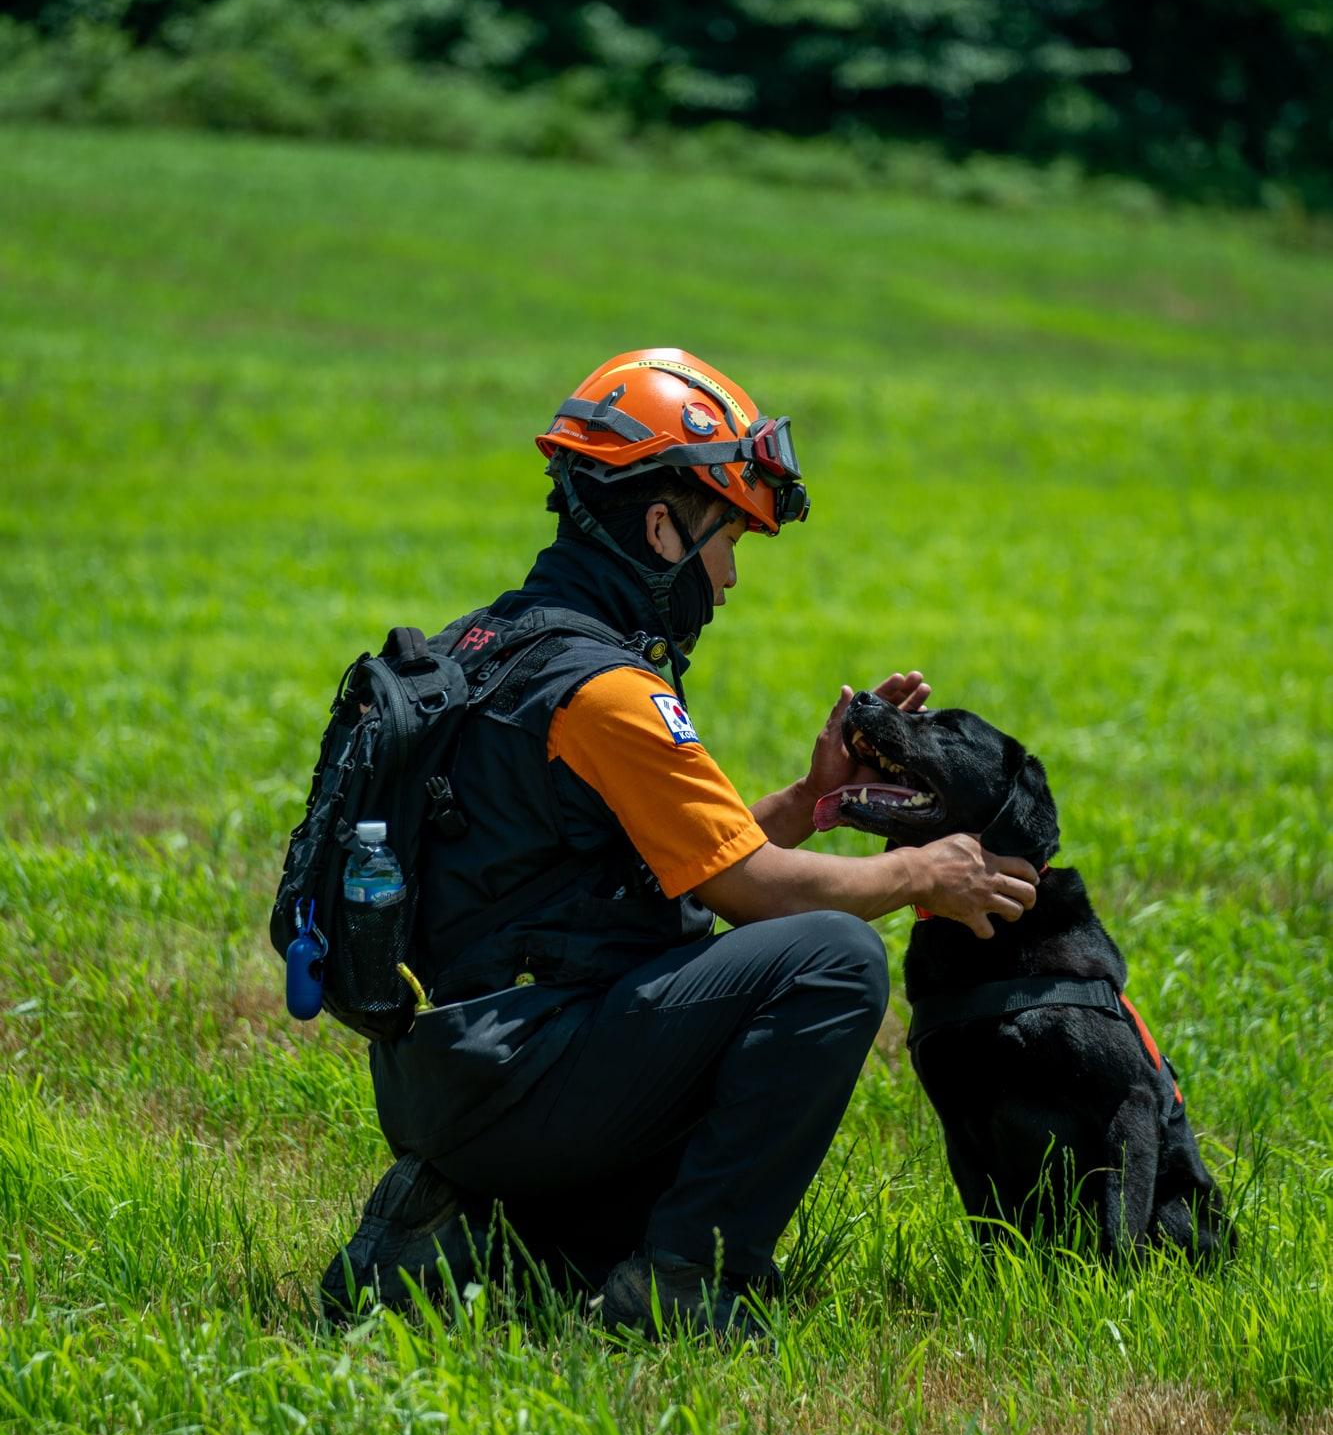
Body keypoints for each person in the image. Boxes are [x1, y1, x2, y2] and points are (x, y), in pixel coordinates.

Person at [321, 351, 1038, 1337]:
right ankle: (682, 1283)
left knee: (713, 983)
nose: (729, 579)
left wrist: (812, 802)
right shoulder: (608, 693)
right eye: (727, 539)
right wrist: (922, 869)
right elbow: (753, 892)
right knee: (829, 963)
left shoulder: (491, 643)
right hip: (516, 1073)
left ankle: (458, 1238)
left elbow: (663, 872)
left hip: (452, 1070)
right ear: (660, 528)